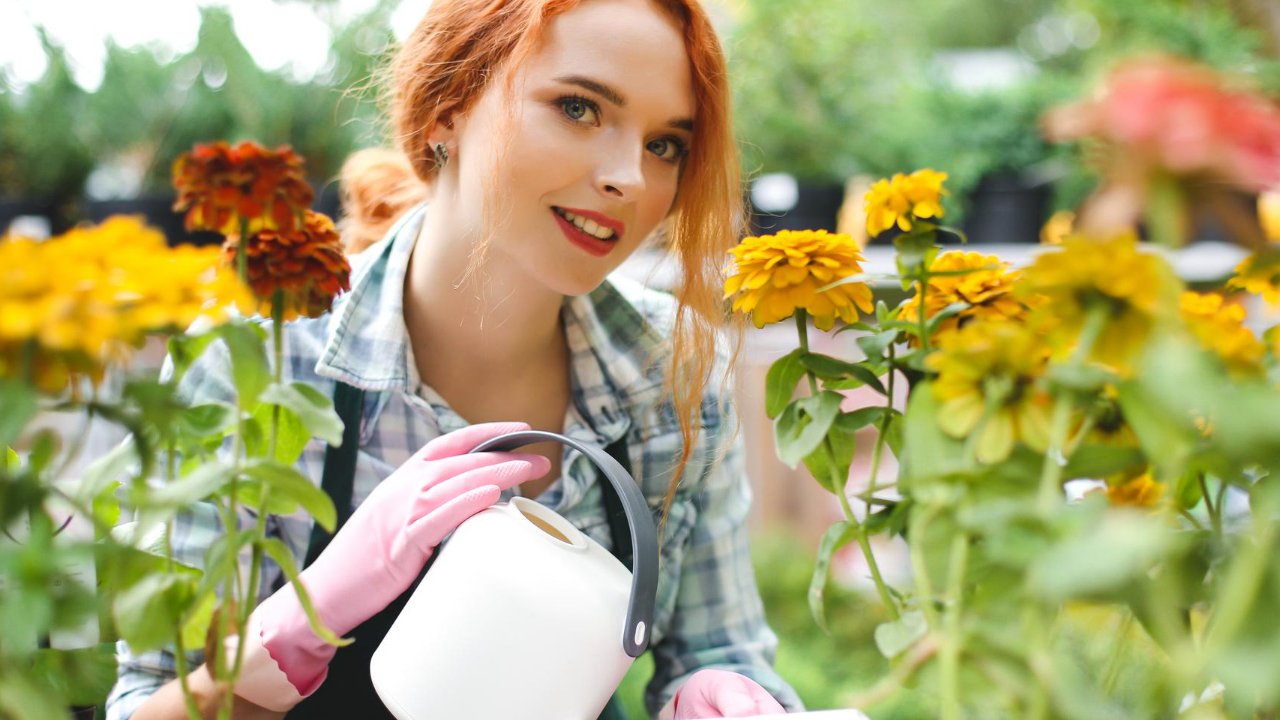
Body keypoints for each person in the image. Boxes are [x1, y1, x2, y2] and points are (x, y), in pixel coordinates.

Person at [107, 0, 804, 717]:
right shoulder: (259, 366)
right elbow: (142, 705)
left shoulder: (675, 376)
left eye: (666, 145)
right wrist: (302, 620)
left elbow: (719, 647)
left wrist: (720, 691)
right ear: (448, 105)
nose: (630, 176)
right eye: (579, 107)